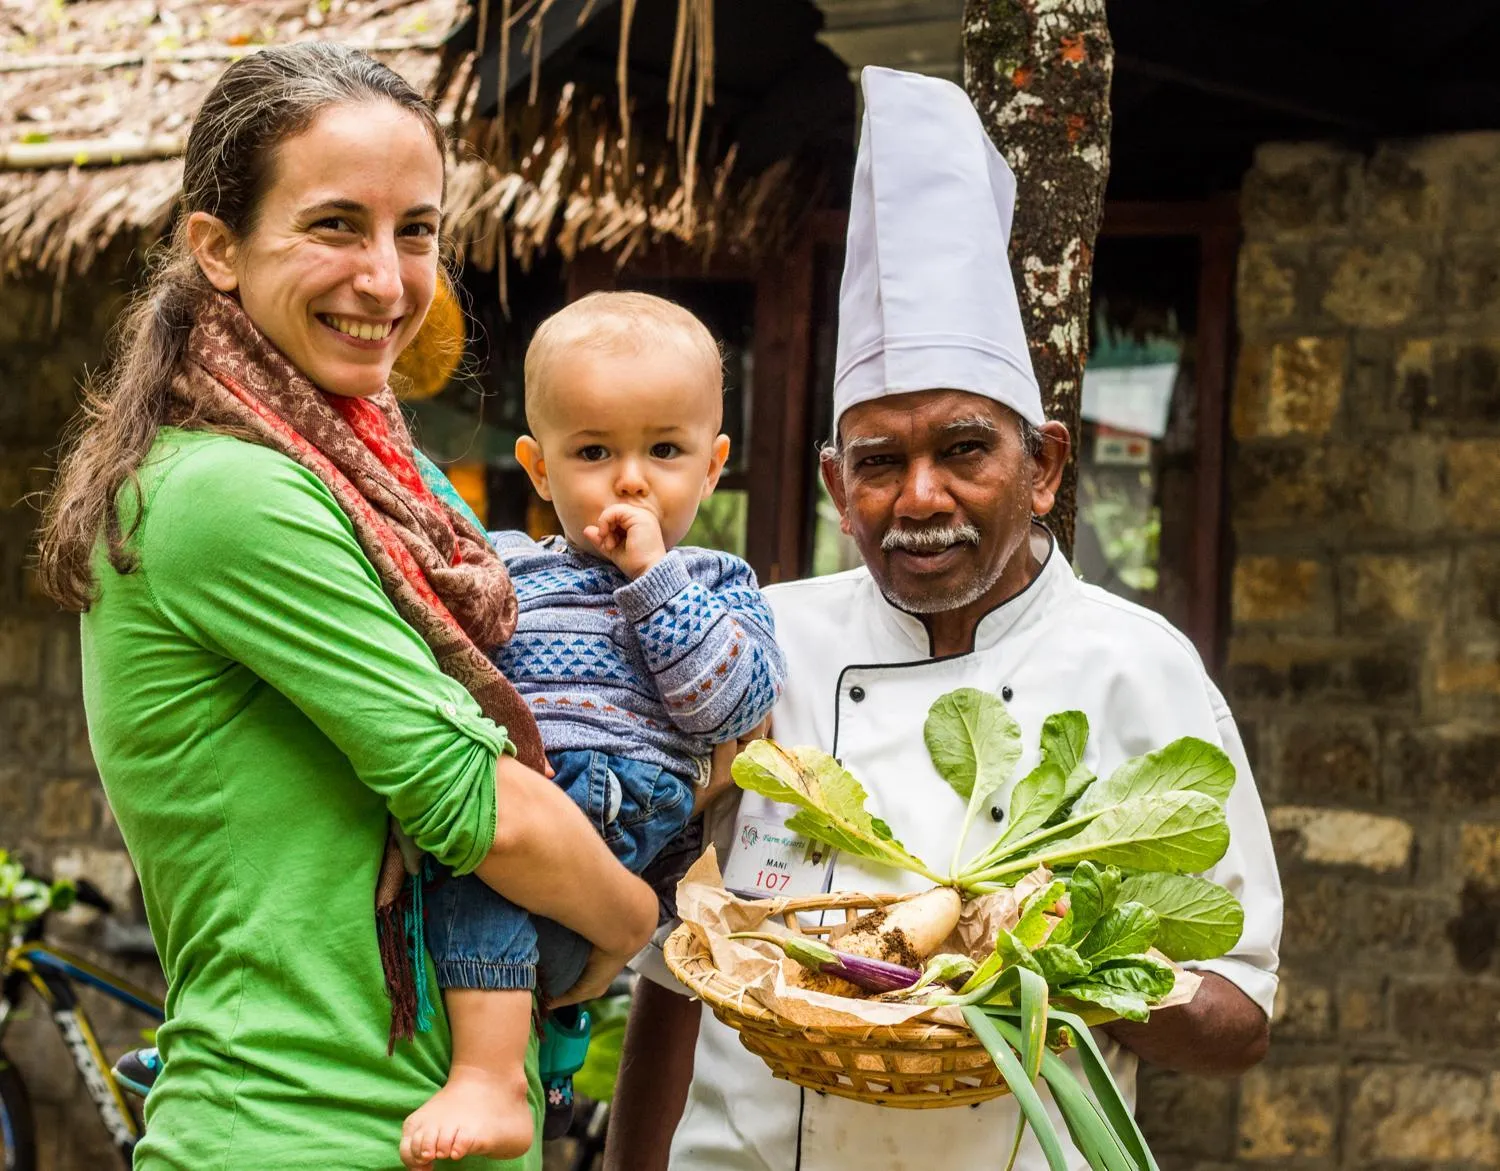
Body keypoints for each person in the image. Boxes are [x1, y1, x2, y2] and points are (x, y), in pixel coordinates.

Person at [606, 66, 1282, 1171]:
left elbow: (1238, 1017)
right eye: (880, 462)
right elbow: (676, 974)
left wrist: (1069, 958)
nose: (920, 497)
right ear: (837, 486)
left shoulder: (1138, 667)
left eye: (965, 449)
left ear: (1044, 466)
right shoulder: (748, 645)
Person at [36, 43, 658, 1171]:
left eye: (415, 230)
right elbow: (477, 804)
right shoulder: (228, 490)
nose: (386, 280)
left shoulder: (386, 482)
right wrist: (628, 920)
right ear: (217, 248)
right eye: (335, 225)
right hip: (299, 1130)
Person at [402, 292, 785, 1164]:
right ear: (539, 469)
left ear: (714, 466)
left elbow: (729, 707)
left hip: (618, 794)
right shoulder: (510, 564)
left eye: (664, 451)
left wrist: (652, 575)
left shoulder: (717, 584)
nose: (631, 480)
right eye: (594, 452)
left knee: (478, 873)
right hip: (530, 783)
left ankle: (491, 1079)